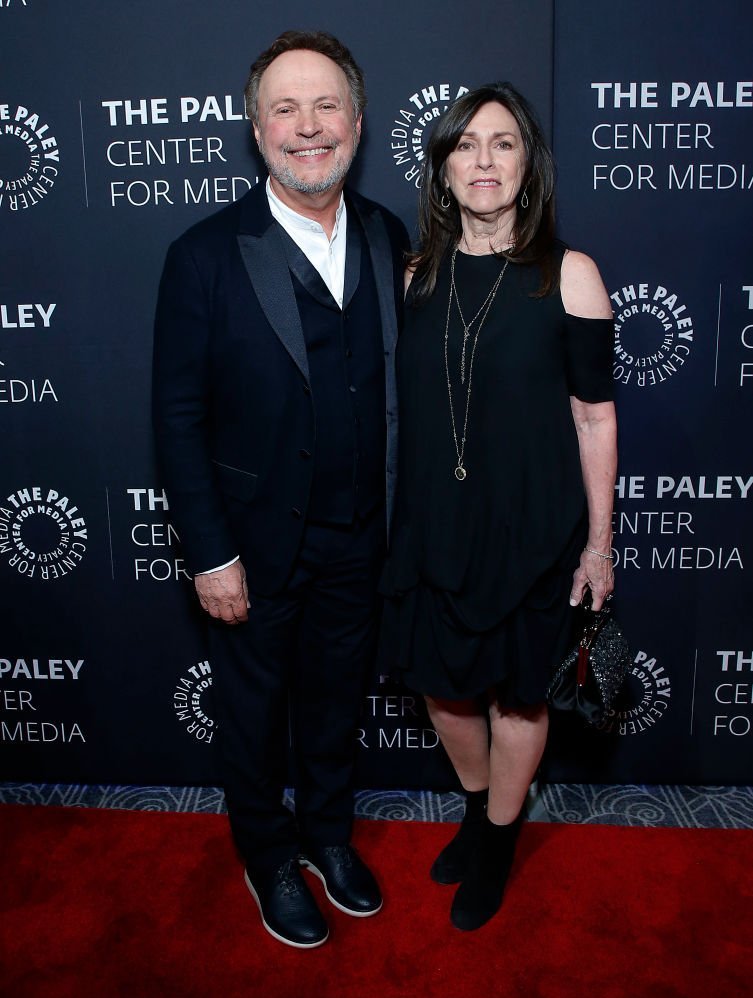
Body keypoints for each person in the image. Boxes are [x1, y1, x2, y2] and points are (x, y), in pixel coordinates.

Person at [153, 30, 408, 949]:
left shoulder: (387, 234)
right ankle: (268, 857)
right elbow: (177, 417)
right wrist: (211, 552)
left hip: (361, 536)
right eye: (285, 109)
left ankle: (330, 839)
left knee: (338, 701)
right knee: (255, 716)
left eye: (327, 104)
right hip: (253, 547)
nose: (309, 127)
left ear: (358, 119)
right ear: (256, 131)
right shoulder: (205, 254)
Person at [380, 82, 617, 931]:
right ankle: (477, 809)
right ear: (443, 166)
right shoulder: (412, 277)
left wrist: (598, 545)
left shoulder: (569, 275)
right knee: (445, 694)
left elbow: (593, 416)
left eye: (504, 143)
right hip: (433, 529)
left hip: (533, 529)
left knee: (518, 698)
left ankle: (498, 836)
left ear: (528, 164)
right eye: (466, 144)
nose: (484, 160)